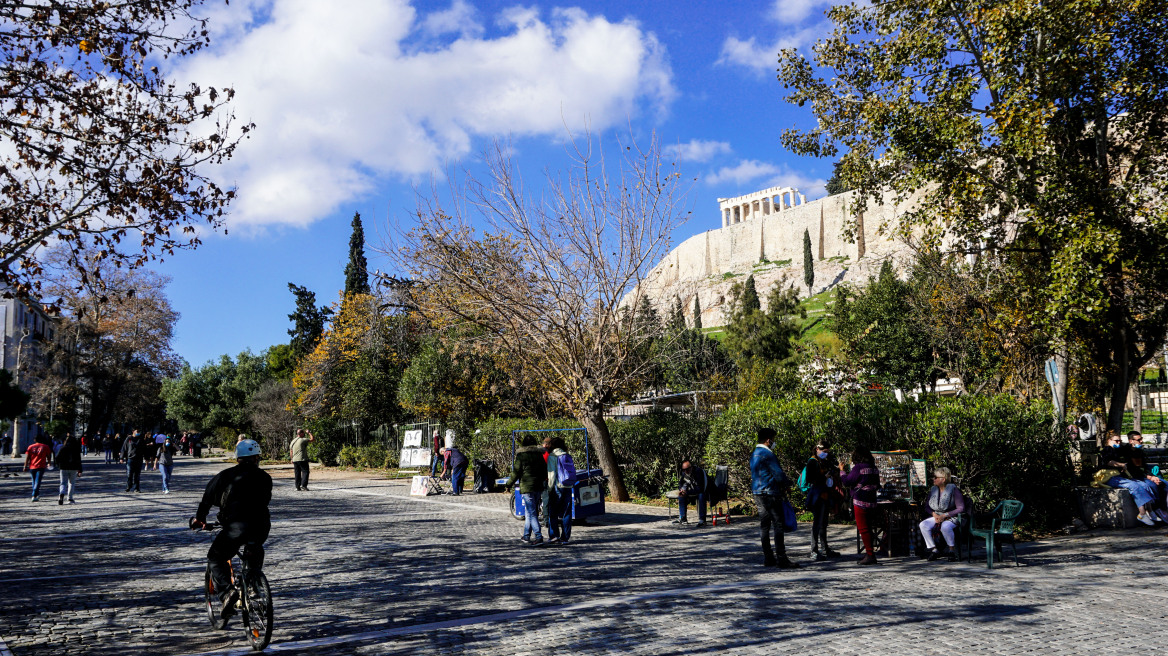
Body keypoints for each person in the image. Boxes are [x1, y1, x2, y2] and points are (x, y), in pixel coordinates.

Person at [189, 439, 273, 621]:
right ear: (257, 458)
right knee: (254, 546)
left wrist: (200, 519)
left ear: (238, 458)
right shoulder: (265, 477)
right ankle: (254, 584)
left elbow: (207, 499)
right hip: (261, 526)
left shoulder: (225, 476)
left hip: (236, 527)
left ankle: (227, 592)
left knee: (216, 557)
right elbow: (265, 500)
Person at [750, 427, 798, 568]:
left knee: (764, 525)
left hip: (757, 492)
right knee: (778, 524)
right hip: (770, 492)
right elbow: (778, 473)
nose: (774, 442)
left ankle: (768, 557)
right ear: (768, 440)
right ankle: (782, 558)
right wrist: (787, 485)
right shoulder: (768, 454)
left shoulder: (754, 454)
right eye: (773, 439)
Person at [1103, 430, 1167, 524]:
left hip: (1138, 475)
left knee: (1161, 484)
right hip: (1117, 476)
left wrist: (1152, 476)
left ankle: (1151, 511)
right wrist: (1121, 465)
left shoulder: (1138, 451)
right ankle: (1149, 511)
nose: (1119, 443)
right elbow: (1109, 462)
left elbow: (1144, 466)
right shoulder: (1114, 450)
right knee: (1143, 485)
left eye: (1120, 440)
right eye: (1116, 441)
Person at [840, 447, 880, 566]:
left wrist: (842, 471)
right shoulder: (874, 468)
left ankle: (870, 554)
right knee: (869, 527)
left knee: (863, 529)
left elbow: (847, 481)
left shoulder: (858, 468)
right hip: (872, 500)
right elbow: (877, 484)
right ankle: (869, 552)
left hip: (860, 501)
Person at [504, 434, 546, 546]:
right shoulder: (539, 455)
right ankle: (526, 535)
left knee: (532, 513)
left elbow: (516, 472)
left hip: (527, 488)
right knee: (529, 512)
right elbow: (544, 471)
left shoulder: (522, 456)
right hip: (538, 486)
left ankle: (538, 536)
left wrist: (508, 484)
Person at [802, 442, 840, 560]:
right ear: (817, 449)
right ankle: (814, 550)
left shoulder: (823, 461)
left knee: (823, 524)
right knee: (817, 524)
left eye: (827, 452)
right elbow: (809, 479)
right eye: (824, 451)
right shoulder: (812, 462)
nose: (825, 454)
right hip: (817, 496)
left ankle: (825, 549)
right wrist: (824, 477)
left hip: (825, 495)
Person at [919, 467, 966, 561]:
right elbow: (927, 506)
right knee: (923, 525)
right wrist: (934, 514)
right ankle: (934, 550)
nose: (933, 479)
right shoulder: (933, 490)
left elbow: (961, 508)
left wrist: (945, 515)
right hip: (937, 515)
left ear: (943, 479)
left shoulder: (953, 490)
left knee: (945, 526)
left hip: (951, 516)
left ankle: (951, 551)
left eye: (935, 477)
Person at [543, 436, 576, 544]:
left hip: (557, 487)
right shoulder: (566, 455)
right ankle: (565, 538)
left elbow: (551, 474)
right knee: (567, 513)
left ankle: (554, 536)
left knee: (553, 513)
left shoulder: (553, 456)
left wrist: (549, 488)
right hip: (568, 486)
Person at [673, 459, 708, 527]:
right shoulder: (684, 473)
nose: (686, 471)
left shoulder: (698, 472)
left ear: (691, 467)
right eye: (684, 470)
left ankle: (702, 519)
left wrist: (687, 492)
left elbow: (700, 488)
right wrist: (681, 490)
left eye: (687, 469)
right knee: (681, 496)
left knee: (701, 495)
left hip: (704, 490)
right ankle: (683, 517)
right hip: (693, 490)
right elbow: (681, 483)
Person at [55, 433, 83, 505]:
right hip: (73, 468)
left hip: (63, 467)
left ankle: (61, 494)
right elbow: (79, 460)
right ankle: (70, 498)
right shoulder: (76, 449)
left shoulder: (63, 448)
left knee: (63, 482)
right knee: (71, 483)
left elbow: (57, 458)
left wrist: (58, 465)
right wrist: (80, 470)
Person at [23, 435, 52, 501]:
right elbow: (48, 456)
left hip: (32, 466)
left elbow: (27, 458)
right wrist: (49, 463)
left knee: (34, 481)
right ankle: (34, 494)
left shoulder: (30, 447)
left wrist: (25, 466)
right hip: (41, 466)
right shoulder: (45, 447)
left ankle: (36, 494)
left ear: (35, 440)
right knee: (38, 481)